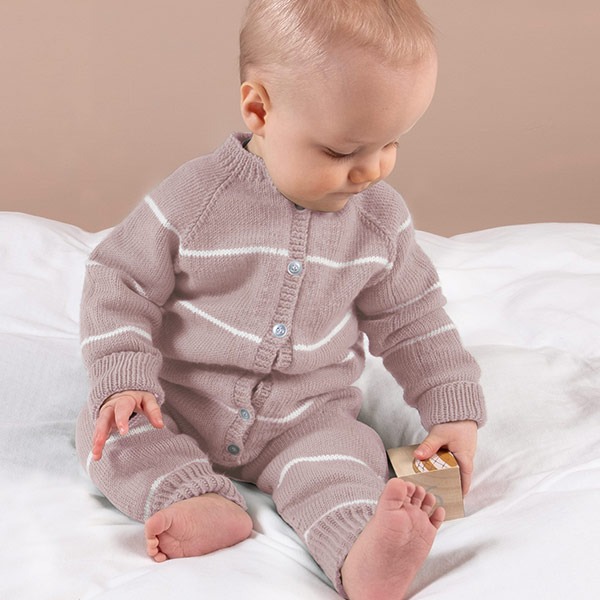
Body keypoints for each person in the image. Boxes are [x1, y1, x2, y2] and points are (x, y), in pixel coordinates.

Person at [76, 1, 486, 598]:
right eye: (341, 152)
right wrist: (123, 377)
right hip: (178, 402)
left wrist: (453, 411)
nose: (371, 171)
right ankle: (194, 497)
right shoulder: (197, 198)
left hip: (307, 418)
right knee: (111, 434)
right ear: (260, 110)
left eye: (390, 144)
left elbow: (414, 318)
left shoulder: (379, 221)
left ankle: (363, 553)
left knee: (345, 464)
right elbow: (118, 279)